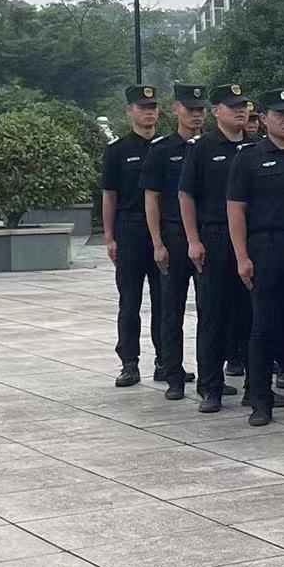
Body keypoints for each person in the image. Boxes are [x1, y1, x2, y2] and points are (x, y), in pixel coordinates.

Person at [227, 87, 284, 425]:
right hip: (266, 248)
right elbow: (236, 209)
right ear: (265, 119)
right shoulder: (248, 158)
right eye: (280, 114)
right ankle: (260, 400)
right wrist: (241, 256)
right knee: (264, 328)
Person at [179, 84, 253, 412]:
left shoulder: (255, 147)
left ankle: (256, 387)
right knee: (213, 314)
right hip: (215, 236)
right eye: (232, 106)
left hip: (251, 239)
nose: (240, 111)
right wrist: (193, 240)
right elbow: (186, 195)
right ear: (216, 111)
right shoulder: (202, 148)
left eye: (243, 106)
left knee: (251, 315)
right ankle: (211, 387)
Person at [142, 84, 206, 399]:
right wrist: (157, 242)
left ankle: (210, 375)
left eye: (201, 109)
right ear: (175, 109)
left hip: (206, 236)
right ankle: (173, 374)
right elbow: (151, 199)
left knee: (210, 309)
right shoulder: (161, 150)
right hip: (173, 235)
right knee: (172, 308)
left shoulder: (209, 147)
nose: (196, 115)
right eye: (190, 109)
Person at [103, 84, 163, 387]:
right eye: (143, 108)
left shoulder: (167, 148)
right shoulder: (118, 151)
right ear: (130, 111)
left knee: (165, 300)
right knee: (130, 300)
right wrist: (109, 237)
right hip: (130, 229)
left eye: (153, 107)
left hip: (162, 231)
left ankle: (166, 360)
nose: (149, 113)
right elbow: (109, 195)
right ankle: (129, 362)